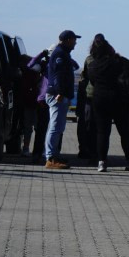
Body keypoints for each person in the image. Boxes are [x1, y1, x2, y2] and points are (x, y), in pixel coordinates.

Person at [83, 34, 129, 173]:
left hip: (99, 99)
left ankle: (102, 162)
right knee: (125, 132)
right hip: (119, 99)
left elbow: (91, 81)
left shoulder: (92, 65)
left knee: (102, 132)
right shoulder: (118, 62)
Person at [44, 30, 80, 170]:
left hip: (61, 95)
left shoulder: (63, 53)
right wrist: (60, 93)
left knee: (58, 127)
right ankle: (50, 158)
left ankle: (55, 155)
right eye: (74, 40)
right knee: (54, 127)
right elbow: (58, 76)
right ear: (68, 40)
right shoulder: (60, 53)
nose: (75, 43)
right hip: (57, 95)